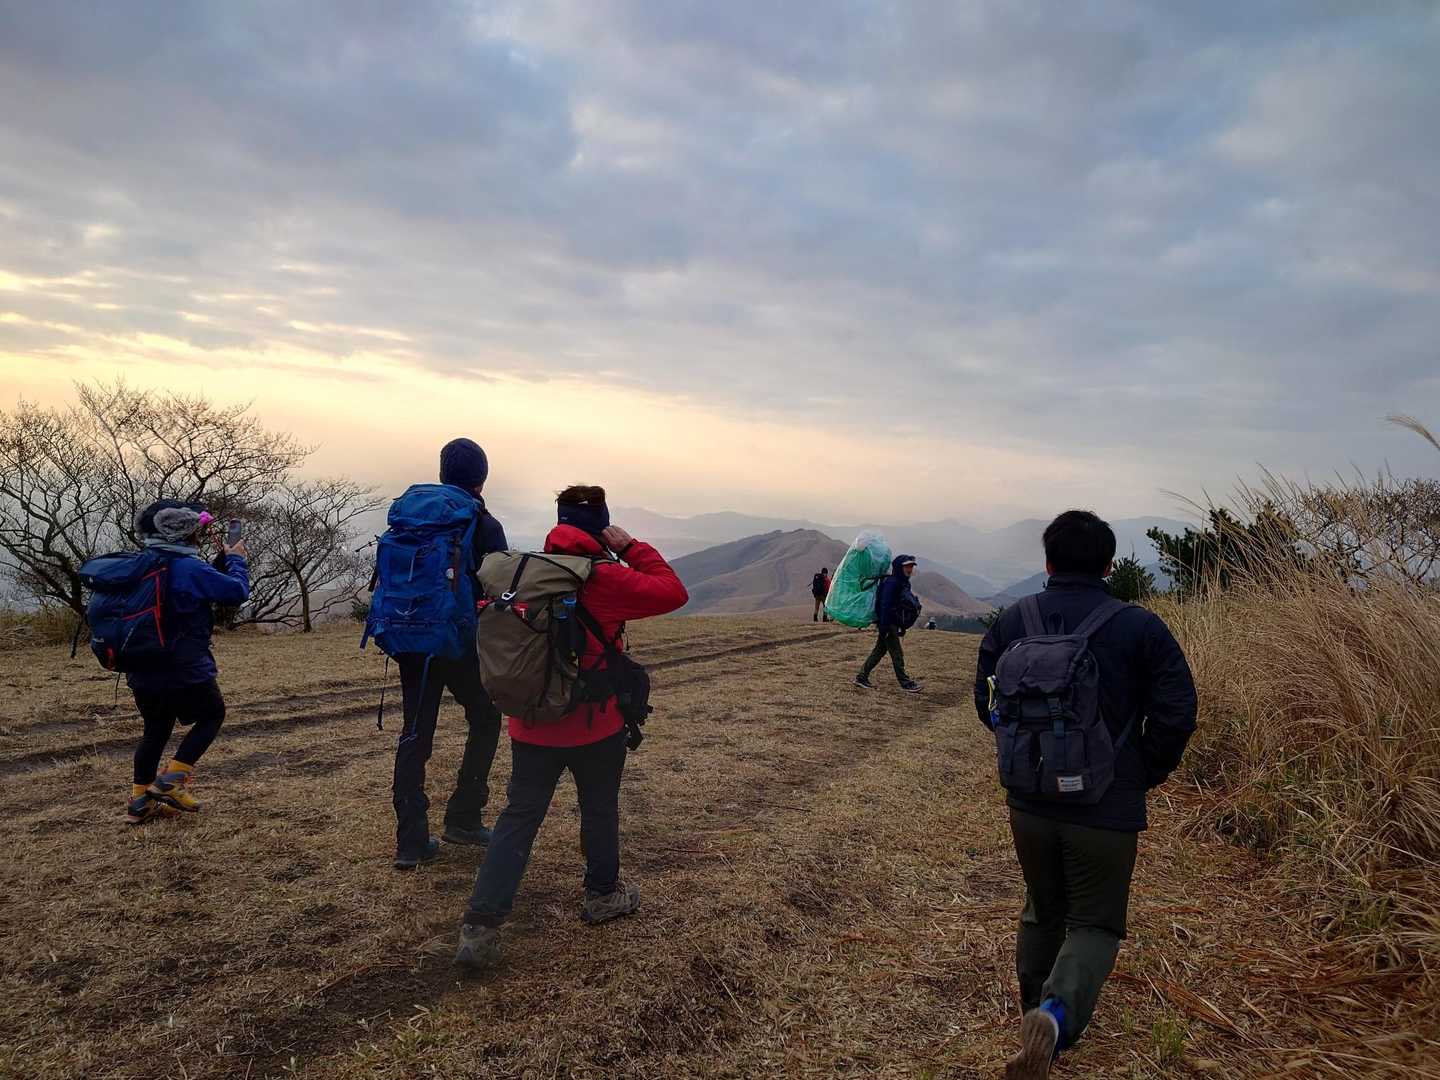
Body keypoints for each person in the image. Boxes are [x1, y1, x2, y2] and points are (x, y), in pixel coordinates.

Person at [973, 510, 1197, 1079]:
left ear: (1047, 563)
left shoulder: (1014, 621)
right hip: (1105, 806)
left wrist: (1029, 757)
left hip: (1029, 801)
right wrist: (1140, 772)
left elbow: (986, 704)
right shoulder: (1139, 627)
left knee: (1042, 909)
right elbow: (1177, 712)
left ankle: (1031, 1014)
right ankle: (1053, 1018)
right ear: (1109, 566)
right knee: (1095, 923)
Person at [454, 485, 688, 970]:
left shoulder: (526, 571)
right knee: (598, 808)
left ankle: (479, 926)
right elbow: (673, 592)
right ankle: (602, 895)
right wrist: (630, 547)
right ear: (602, 525)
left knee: (518, 817)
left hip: (529, 722)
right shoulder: (602, 577)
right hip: (594, 725)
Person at [389, 438, 510, 870]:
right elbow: (501, 587)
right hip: (459, 641)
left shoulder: (410, 514)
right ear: (482, 478)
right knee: (486, 717)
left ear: (442, 473)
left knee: (415, 733)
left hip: (409, 638)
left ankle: (410, 842)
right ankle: (464, 816)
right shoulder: (481, 522)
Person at [124, 500, 250, 825]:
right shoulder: (188, 568)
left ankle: (140, 802)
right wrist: (236, 561)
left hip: (140, 665)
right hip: (183, 665)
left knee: (155, 730)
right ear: (185, 534)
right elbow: (236, 591)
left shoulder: (138, 564)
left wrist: (220, 561)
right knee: (212, 715)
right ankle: (171, 781)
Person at [854, 554, 922, 693]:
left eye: (911, 566)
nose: (909, 569)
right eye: (907, 566)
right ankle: (905, 683)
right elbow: (885, 604)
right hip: (888, 623)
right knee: (897, 653)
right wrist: (884, 626)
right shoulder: (893, 582)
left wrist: (901, 626)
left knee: (879, 650)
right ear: (899, 567)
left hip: (891, 623)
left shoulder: (902, 582)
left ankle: (861, 677)